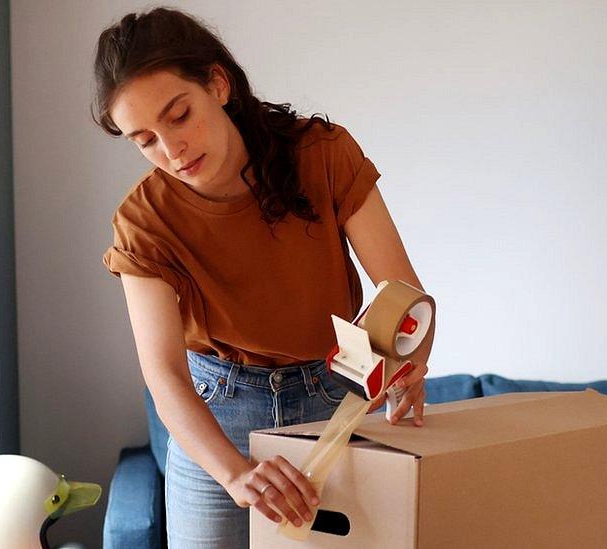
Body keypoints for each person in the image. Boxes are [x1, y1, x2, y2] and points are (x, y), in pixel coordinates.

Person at [94, 7, 434, 548]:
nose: (171, 149)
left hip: (334, 395)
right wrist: (233, 473)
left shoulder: (322, 154)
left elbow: (402, 292)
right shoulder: (142, 222)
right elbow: (164, 375)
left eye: (179, 115)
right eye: (145, 139)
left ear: (218, 83)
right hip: (216, 413)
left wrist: (409, 356)